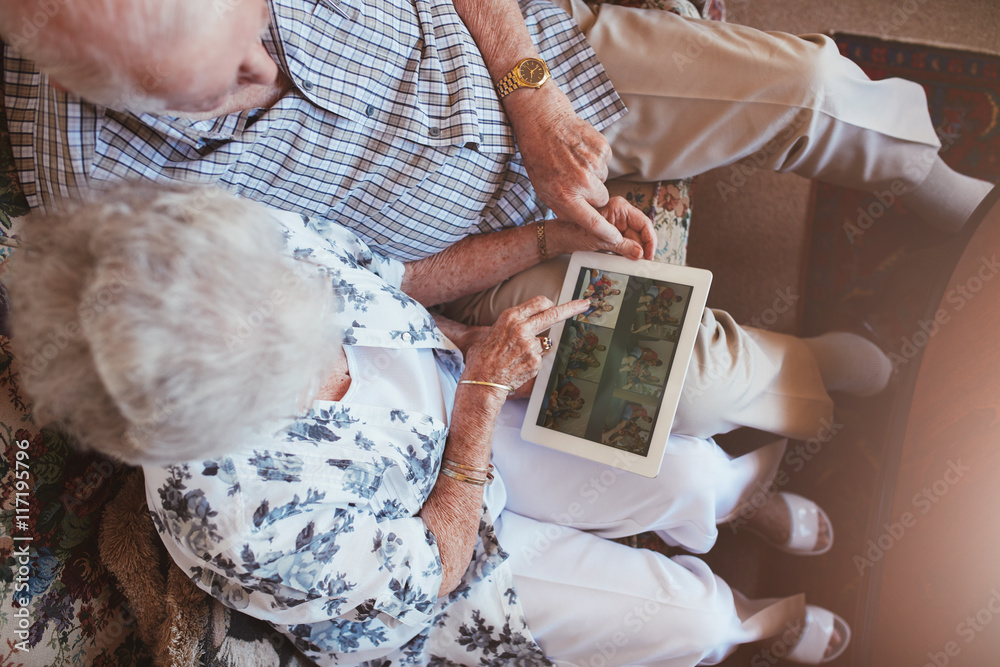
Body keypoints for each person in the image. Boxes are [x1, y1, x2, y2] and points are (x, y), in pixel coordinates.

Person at [6, 184, 894, 665]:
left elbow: (396, 280)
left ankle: (727, 502)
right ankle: (746, 617)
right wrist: (475, 408)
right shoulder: (236, 520)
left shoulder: (226, 248)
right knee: (686, 621)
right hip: (443, 563)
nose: (338, 363)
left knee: (690, 470)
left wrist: (553, 237)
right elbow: (428, 572)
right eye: (310, 381)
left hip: (460, 395)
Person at [0, 0, 992, 276]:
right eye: (231, 85)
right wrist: (543, 245)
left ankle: (939, 191)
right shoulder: (94, 203)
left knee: (810, 87)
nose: (271, 71)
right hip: (474, 260)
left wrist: (537, 103)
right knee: (656, 403)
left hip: (540, 67)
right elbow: (338, 304)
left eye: (263, 29)